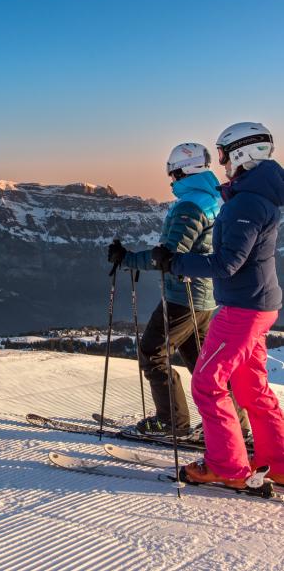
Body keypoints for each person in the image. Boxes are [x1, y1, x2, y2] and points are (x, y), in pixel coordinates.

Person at [154, 122, 284, 488]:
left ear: (242, 153)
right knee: (250, 387)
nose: (222, 161)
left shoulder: (246, 203)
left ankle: (226, 467)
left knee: (207, 384)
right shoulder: (255, 195)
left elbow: (227, 262)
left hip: (242, 308)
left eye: (224, 154)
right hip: (258, 304)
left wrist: (175, 263)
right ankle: (278, 462)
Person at [109, 143, 250, 440]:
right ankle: (235, 426)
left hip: (182, 298)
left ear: (183, 171)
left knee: (152, 352)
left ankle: (171, 421)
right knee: (206, 366)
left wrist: (127, 259)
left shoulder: (190, 205)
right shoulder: (213, 197)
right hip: (205, 299)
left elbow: (170, 255)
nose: (171, 180)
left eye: (172, 174)